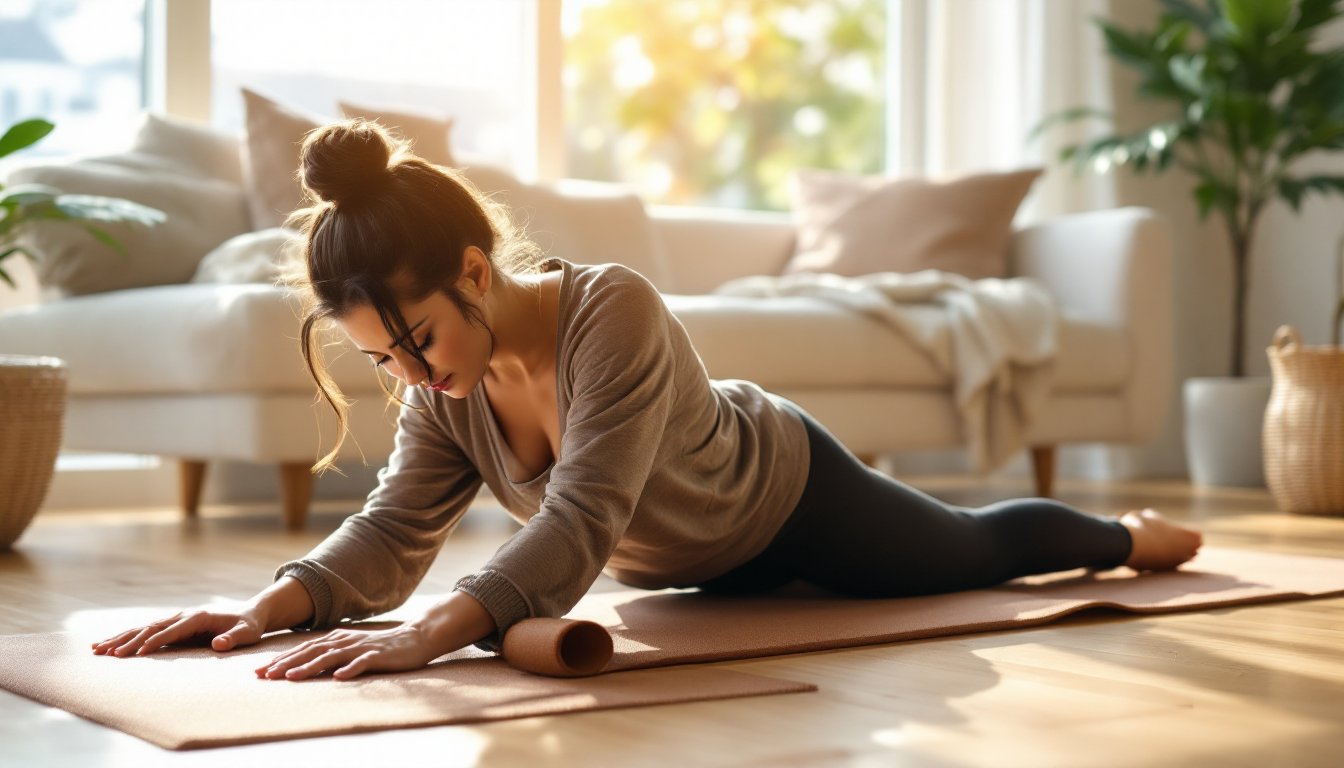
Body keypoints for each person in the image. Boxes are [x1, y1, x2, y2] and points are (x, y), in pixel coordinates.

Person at [92, 120, 1203, 682]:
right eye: (385, 361)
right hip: (687, 568)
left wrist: (432, 635)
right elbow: (396, 525)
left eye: (418, 340)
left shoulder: (609, 308)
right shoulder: (448, 386)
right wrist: (271, 607)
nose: (414, 378)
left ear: (476, 271)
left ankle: (1123, 535)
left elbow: (583, 518)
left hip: (781, 494)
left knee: (969, 556)